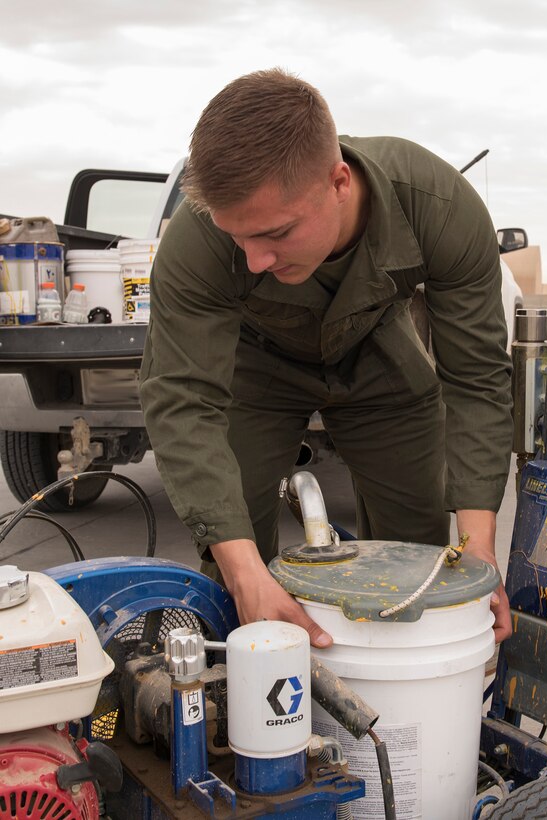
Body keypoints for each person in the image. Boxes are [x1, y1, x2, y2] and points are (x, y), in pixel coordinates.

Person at [140, 68, 513, 647]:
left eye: (277, 233)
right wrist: (246, 576)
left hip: (380, 355)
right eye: (240, 239)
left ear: (340, 182)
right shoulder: (198, 238)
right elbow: (182, 401)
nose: (257, 260)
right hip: (256, 364)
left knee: (422, 550)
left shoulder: (439, 209)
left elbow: (477, 381)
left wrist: (479, 556)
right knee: (234, 548)